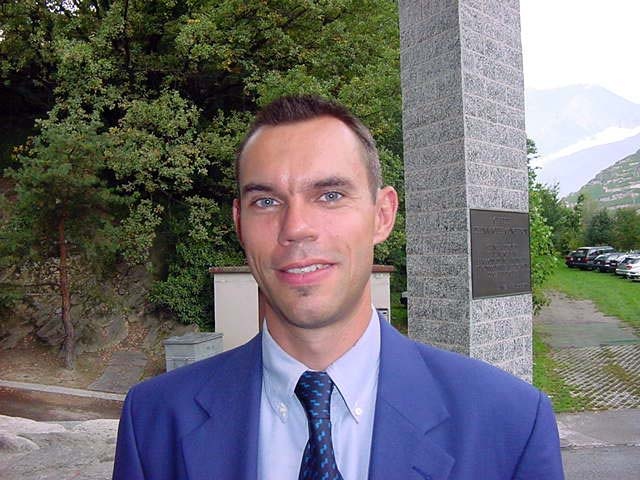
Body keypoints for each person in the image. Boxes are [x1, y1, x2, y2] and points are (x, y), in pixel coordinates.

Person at [112, 95, 564, 480]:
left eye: (330, 195)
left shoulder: (510, 424)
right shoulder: (154, 420)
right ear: (239, 224)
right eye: (266, 201)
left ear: (382, 215)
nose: (296, 227)